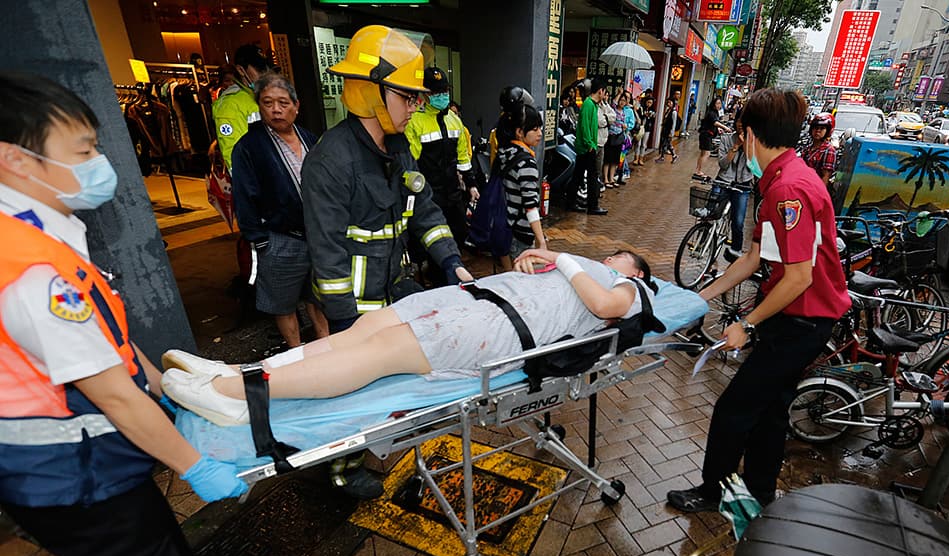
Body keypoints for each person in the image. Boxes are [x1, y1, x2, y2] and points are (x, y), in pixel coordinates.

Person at [0, 73, 246, 556]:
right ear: (16, 159)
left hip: (81, 466)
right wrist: (194, 466)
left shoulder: (42, 225)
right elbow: (111, 392)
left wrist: (166, 385)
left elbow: (108, 345)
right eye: (84, 150)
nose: (98, 161)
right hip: (71, 475)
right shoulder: (33, 271)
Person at [160, 249, 658, 426]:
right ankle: (238, 371)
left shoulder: (627, 286)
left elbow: (604, 307)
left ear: (633, 271)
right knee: (366, 327)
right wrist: (538, 260)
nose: (612, 257)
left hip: (494, 329)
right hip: (474, 298)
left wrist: (567, 259)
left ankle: (237, 397)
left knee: (382, 353)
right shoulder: (576, 270)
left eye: (620, 257)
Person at [298, 25, 472, 498]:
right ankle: (341, 468)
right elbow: (327, 253)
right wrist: (346, 324)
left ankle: (383, 444)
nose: (416, 106)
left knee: (393, 384)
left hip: (394, 293)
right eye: (407, 97)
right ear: (370, 90)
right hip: (355, 309)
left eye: (418, 98)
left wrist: (452, 261)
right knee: (356, 393)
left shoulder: (396, 149)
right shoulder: (330, 162)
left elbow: (425, 211)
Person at [667, 89, 851, 512]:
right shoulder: (783, 180)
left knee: (734, 409)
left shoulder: (789, 191)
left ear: (749, 134)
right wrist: (699, 296)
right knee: (771, 409)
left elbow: (799, 277)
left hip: (801, 321)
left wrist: (746, 324)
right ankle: (761, 491)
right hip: (798, 317)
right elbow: (753, 259)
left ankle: (713, 492)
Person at [231, 72, 330, 348]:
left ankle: (324, 342)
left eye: (283, 103)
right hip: (279, 237)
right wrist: (259, 239)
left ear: (296, 106)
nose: (276, 109)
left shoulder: (310, 138)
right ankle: (296, 351)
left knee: (319, 295)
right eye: (268, 102)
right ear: (259, 106)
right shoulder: (249, 147)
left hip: (317, 234)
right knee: (282, 302)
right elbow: (243, 196)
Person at [405, 66, 478, 255]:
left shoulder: (454, 120)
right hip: (429, 196)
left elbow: (463, 156)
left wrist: (471, 184)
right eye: (436, 92)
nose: (442, 95)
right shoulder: (414, 121)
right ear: (426, 94)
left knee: (459, 236)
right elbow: (410, 163)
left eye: (445, 90)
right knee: (434, 245)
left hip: (453, 194)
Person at [495, 102, 547, 269]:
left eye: (540, 127)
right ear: (519, 132)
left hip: (505, 227)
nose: (540, 133)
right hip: (521, 233)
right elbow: (530, 206)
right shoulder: (526, 163)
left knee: (509, 278)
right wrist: (541, 241)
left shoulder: (504, 153)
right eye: (534, 129)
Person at [212, 44, 269, 171]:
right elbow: (234, 157)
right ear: (241, 70)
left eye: (266, 68)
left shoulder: (263, 95)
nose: (265, 74)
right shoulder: (230, 105)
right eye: (259, 69)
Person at [565, 78, 608, 215]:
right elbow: (584, 126)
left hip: (587, 146)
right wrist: (590, 144)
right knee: (592, 176)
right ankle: (593, 206)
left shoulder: (592, 105)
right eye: (604, 92)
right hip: (587, 147)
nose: (605, 95)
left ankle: (571, 203)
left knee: (578, 175)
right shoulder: (589, 105)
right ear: (600, 91)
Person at [714, 116, 754, 260]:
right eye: (739, 122)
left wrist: (746, 147)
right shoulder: (726, 139)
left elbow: (753, 167)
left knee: (737, 221)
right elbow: (723, 164)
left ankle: (736, 251)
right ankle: (704, 240)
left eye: (744, 123)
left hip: (742, 184)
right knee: (710, 213)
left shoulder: (754, 143)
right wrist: (735, 146)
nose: (740, 125)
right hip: (724, 180)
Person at [695, 97, 730, 181]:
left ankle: (698, 170)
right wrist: (725, 128)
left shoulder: (714, 113)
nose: (719, 105)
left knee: (703, 153)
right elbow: (715, 122)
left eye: (720, 103)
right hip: (706, 135)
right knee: (706, 153)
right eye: (717, 103)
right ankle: (698, 171)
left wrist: (718, 129)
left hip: (706, 135)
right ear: (713, 104)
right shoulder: (712, 113)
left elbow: (712, 124)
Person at [801, 112, 837, 185]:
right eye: (816, 128)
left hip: (814, 187)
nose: (818, 131)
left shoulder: (828, 150)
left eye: (822, 128)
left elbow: (825, 177)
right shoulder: (808, 147)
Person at [600, 92, 622, 189]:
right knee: (607, 159)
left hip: (619, 137)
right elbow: (604, 120)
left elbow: (612, 117)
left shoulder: (608, 107)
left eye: (607, 95)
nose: (606, 97)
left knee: (614, 160)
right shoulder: (610, 107)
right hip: (608, 137)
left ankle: (611, 178)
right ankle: (605, 179)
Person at [656, 99, 678, 163]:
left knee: (666, 144)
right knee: (666, 144)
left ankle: (668, 156)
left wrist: (672, 132)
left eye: (670, 102)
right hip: (665, 129)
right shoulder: (668, 110)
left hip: (668, 130)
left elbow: (674, 123)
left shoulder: (674, 112)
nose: (669, 104)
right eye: (668, 102)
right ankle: (672, 156)